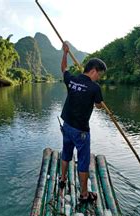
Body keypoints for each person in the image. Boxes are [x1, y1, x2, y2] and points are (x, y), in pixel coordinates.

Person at [59, 42, 106, 203]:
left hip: (67, 126)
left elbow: (63, 69)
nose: (99, 77)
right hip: (81, 131)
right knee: (83, 162)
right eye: (99, 74)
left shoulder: (71, 79)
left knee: (66, 153)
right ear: (93, 71)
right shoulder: (95, 88)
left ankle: (62, 178)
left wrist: (65, 53)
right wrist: (98, 103)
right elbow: (99, 106)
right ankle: (84, 194)